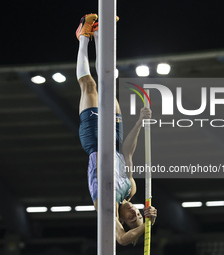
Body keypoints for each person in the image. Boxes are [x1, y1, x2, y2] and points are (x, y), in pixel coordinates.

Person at [76, 14, 157, 246]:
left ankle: (83, 37)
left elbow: (122, 240)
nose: (135, 213)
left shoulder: (106, 207)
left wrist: (145, 227)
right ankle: (100, 32)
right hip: (113, 141)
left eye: (133, 219)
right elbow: (128, 153)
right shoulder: (130, 189)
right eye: (139, 214)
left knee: (89, 85)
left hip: (95, 142)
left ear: (123, 221)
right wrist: (141, 121)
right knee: (109, 85)